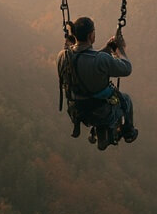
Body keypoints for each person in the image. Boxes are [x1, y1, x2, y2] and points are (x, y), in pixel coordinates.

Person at [57, 15, 138, 147]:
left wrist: (107, 48)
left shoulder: (62, 56)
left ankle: (101, 129)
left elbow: (84, 59)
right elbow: (127, 68)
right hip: (102, 111)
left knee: (95, 100)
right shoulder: (100, 60)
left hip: (77, 110)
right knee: (126, 100)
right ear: (91, 36)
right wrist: (119, 49)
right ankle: (128, 132)